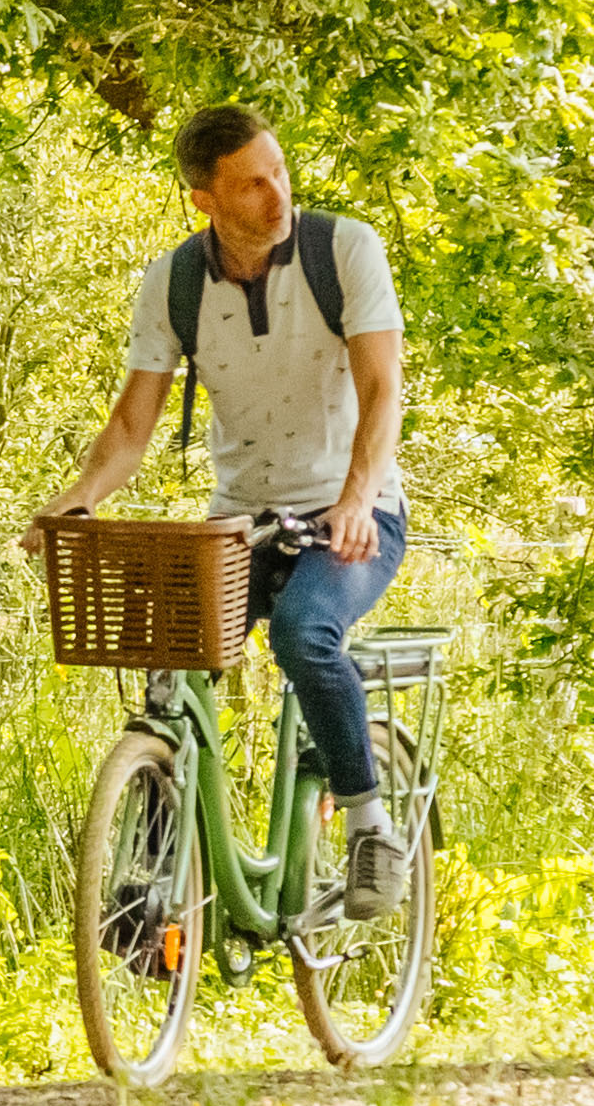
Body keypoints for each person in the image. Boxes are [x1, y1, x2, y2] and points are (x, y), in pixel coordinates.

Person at [26, 102, 415, 916]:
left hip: (353, 514)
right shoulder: (174, 283)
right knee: (165, 663)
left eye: (278, 172)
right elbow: (132, 426)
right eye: (251, 185)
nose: (278, 197)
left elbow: (382, 392)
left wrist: (351, 500)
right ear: (203, 199)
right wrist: (78, 497)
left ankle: (370, 826)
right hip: (241, 519)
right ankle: (159, 878)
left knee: (305, 634)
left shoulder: (342, 250)